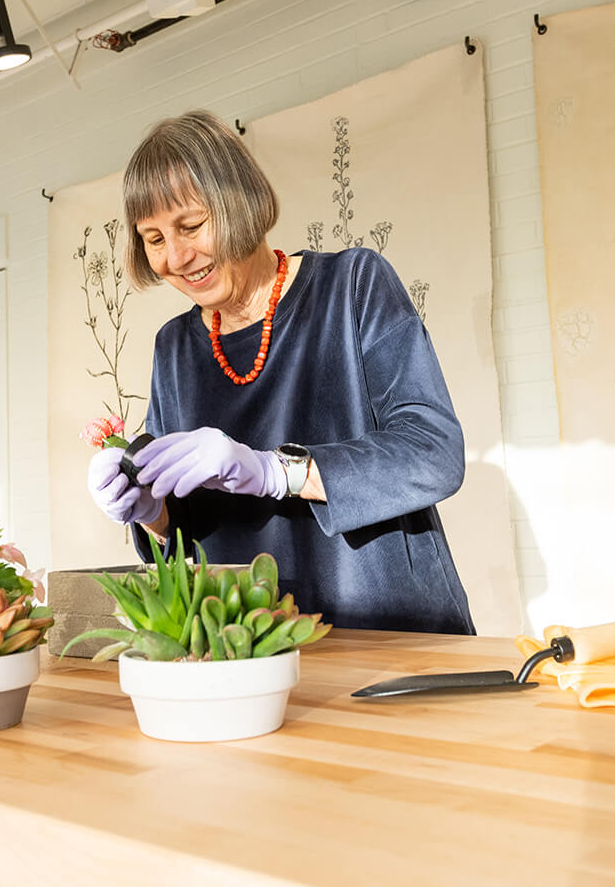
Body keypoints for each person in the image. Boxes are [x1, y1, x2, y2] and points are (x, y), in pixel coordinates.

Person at [86, 110, 473, 635]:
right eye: (153, 238)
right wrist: (150, 513)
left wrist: (276, 472)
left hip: (391, 635)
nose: (176, 256)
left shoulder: (352, 287)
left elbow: (433, 454)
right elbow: (187, 542)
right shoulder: (174, 349)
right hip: (251, 650)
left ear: (239, 201)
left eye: (191, 226)